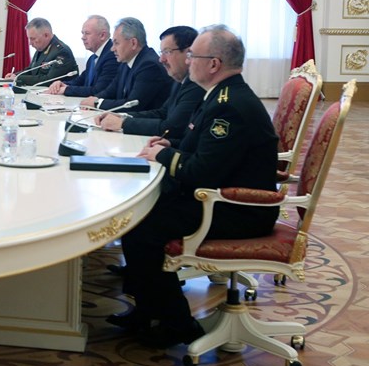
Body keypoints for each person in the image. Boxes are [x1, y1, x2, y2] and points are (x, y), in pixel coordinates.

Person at [111, 25, 280, 349]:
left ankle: (177, 324)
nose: (188, 61)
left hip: (238, 209)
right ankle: (147, 312)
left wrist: (164, 155)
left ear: (213, 64)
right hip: (218, 197)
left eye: (193, 56)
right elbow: (202, 149)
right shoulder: (220, 94)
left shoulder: (228, 105)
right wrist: (170, 144)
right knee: (139, 217)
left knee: (142, 225)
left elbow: (202, 172)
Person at [96, 26, 202, 139]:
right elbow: (162, 113)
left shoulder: (196, 85)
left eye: (167, 52)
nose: (161, 59)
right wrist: (121, 116)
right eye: (162, 52)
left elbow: (172, 128)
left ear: (188, 53)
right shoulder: (181, 80)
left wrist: (123, 123)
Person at [79, 17, 172, 112]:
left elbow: (132, 105)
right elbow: (111, 91)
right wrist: (93, 99)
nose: (112, 49)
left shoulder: (149, 66)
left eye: (116, 43)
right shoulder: (126, 61)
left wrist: (97, 103)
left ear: (133, 43)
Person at [45, 15, 117, 96]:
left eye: (87, 33)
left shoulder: (113, 55)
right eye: (82, 33)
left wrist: (66, 90)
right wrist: (62, 84)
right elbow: (80, 81)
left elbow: (99, 90)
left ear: (102, 35)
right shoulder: (92, 59)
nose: (83, 37)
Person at [4, 18, 78, 87]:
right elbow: (31, 70)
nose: (30, 43)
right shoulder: (42, 47)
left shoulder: (62, 51)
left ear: (46, 35)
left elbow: (49, 80)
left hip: (59, 95)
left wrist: (18, 78)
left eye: (33, 39)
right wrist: (15, 75)